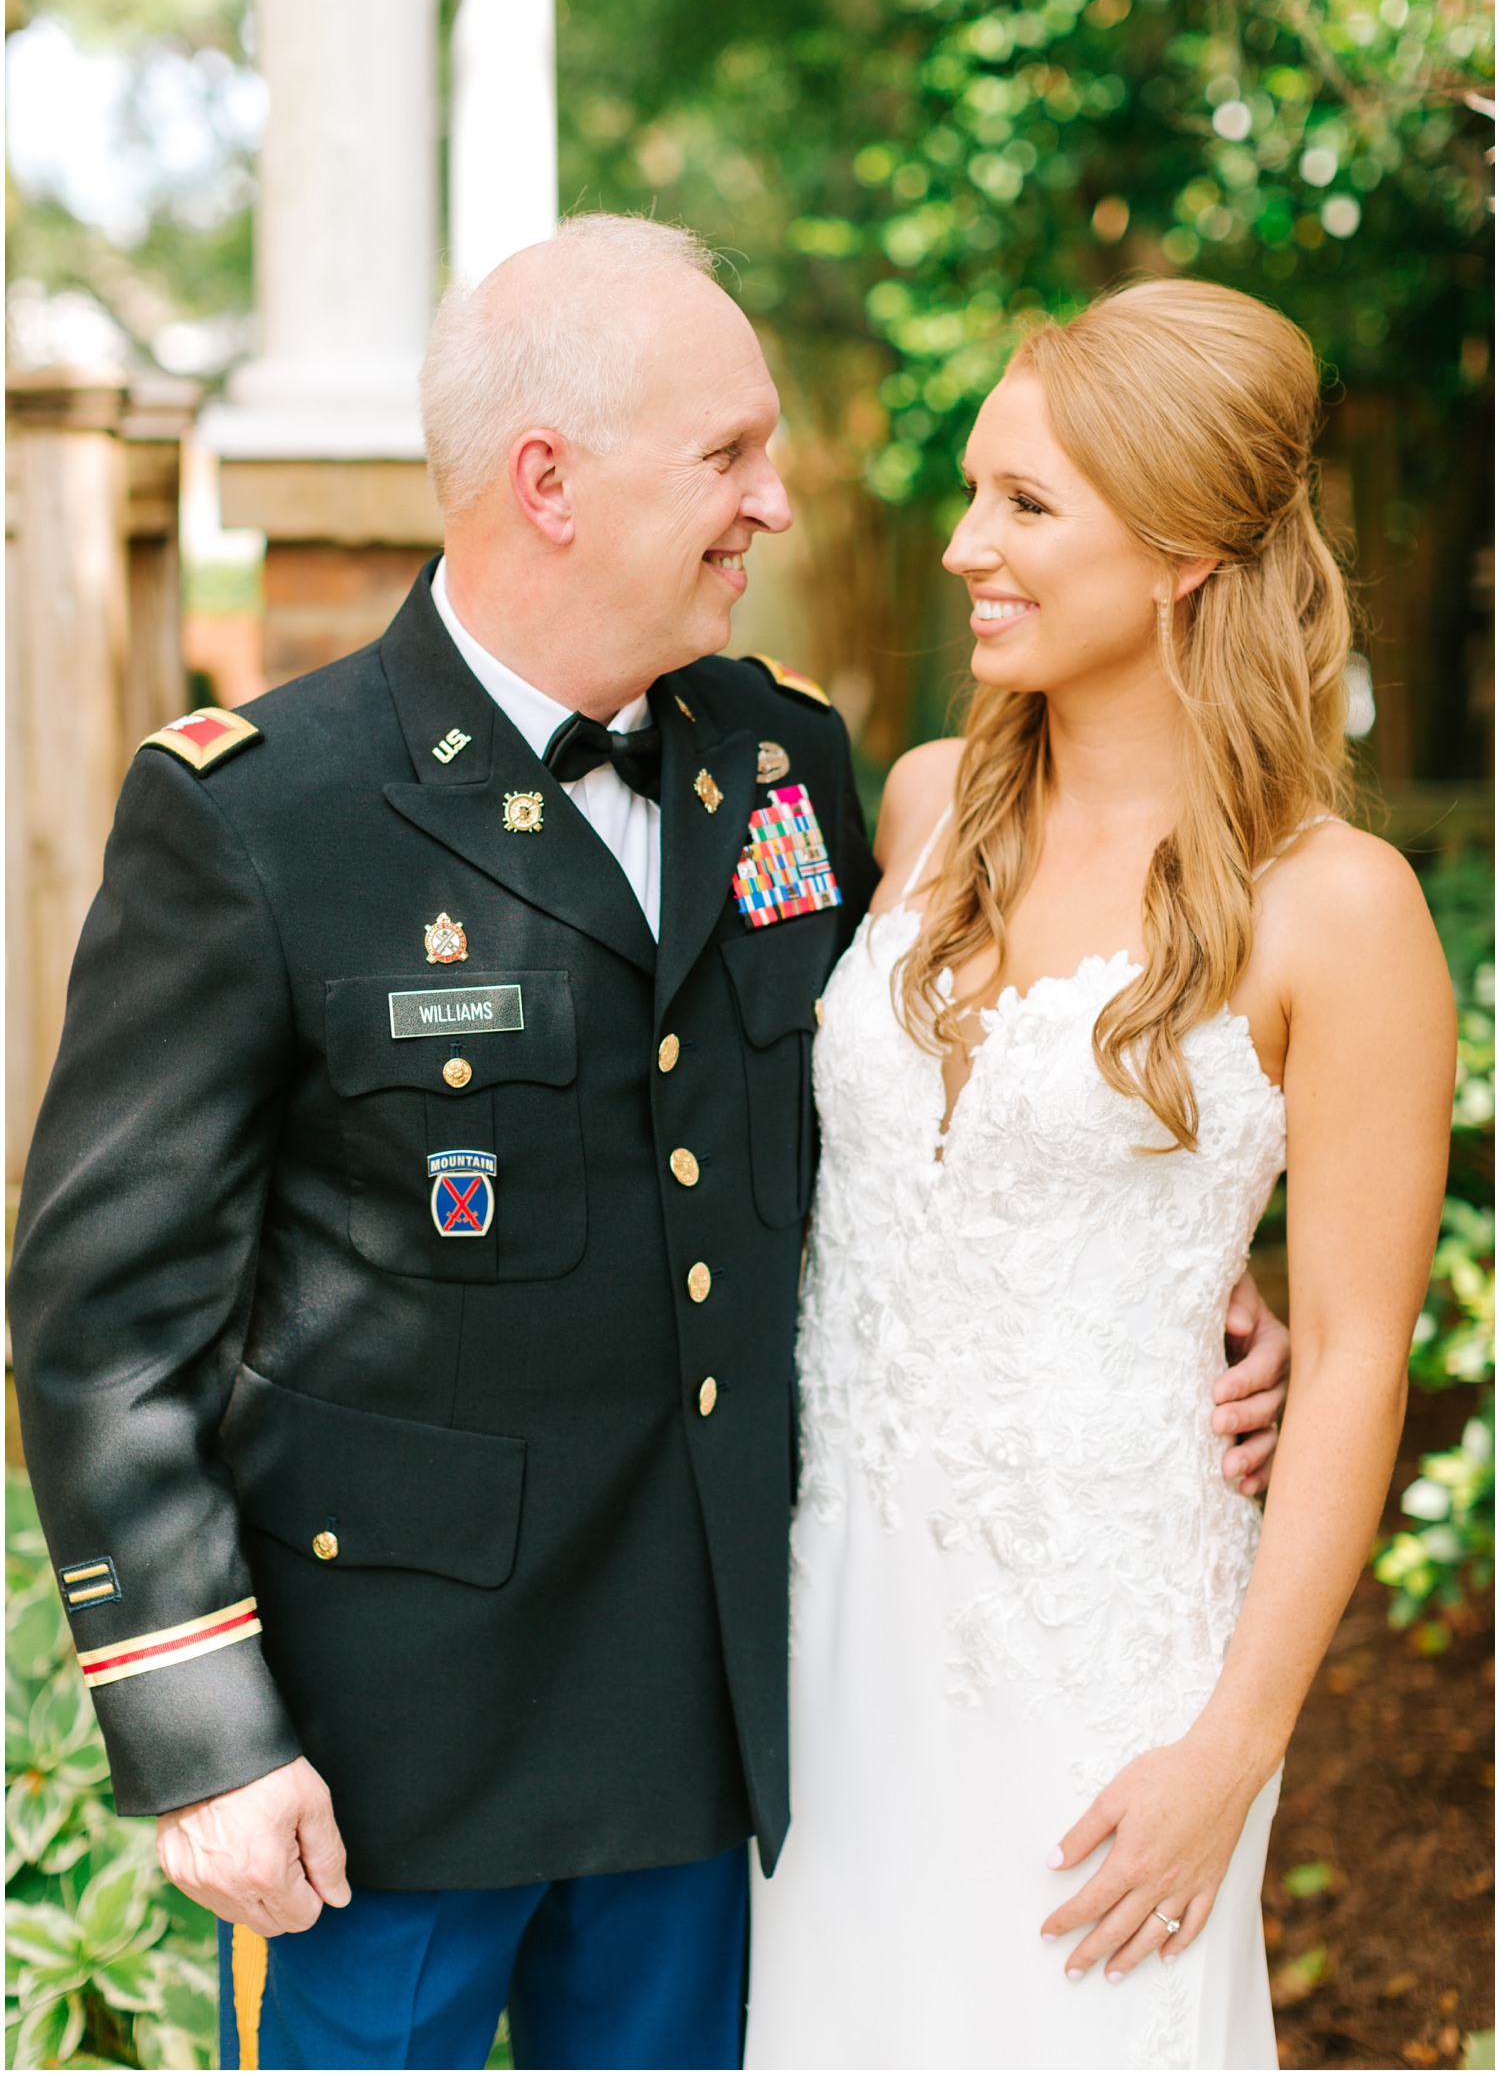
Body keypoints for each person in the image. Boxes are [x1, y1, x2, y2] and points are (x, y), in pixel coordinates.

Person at [9, 220, 1290, 2075]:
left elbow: (916, 1104)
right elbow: (103, 1321)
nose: (772, 501)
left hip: (706, 1748)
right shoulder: (260, 815)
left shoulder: (783, 763)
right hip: (385, 1771)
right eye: (728, 457)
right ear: (550, 482)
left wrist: (1194, 1254)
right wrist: (206, 1733)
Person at [744, 278, 1455, 2071]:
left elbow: (1363, 1359)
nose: (969, 544)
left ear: (1190, 547)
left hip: (1107, 1658)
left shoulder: (1340, 910)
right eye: (976, 492)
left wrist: (1233, 1754)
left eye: (1028, 504)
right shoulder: (913, 809)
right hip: (829, 1623)